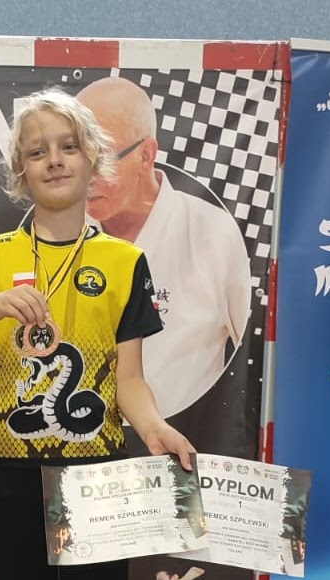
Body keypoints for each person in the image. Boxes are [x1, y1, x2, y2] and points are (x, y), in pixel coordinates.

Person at [0, 87, 195, 580]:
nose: (54, 160)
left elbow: (129, 378)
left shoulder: (125, 261)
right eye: (37, 152)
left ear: (93, 158)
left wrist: (155, 427)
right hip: (12, 475)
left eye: (68, 146)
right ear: (21, 171)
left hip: (99, 477)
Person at [76, 77, 251, 418]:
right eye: (76, 154)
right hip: (80, 439)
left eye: (102, 159)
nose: (86, 176)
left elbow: (253, 357)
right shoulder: (58, 235)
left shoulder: (214, 234)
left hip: (187, 437)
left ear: (147, 154)